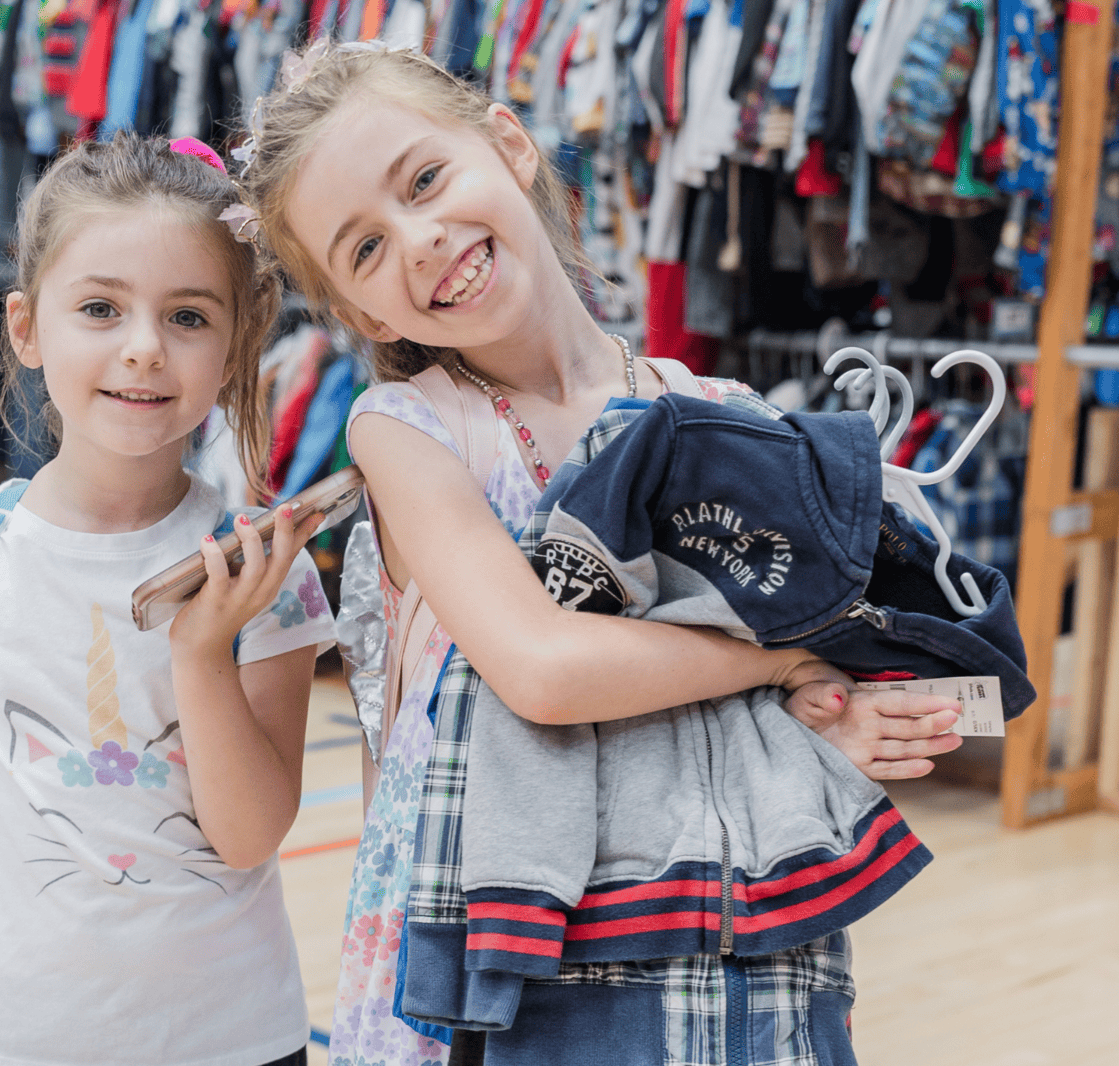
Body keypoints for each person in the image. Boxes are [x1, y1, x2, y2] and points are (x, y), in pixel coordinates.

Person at [236, 40, 967, 1066]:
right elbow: (541, 666)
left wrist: (820, 704)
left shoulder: (720, 412)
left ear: (509, 144)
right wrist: (776, 656)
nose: (418, 239)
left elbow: (799, 679)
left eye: (426, 179)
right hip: (497, 931)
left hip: (698, 922)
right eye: (362, 248)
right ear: (361, 311)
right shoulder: (408, 429)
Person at [0, 133, 335, 1066]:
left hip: (233, 1042)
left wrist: (202, 652)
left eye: (189, 317)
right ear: (28, 327)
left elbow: (246, 838)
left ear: (239, 343)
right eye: (99, 308)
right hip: (9, 1043)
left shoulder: (266, 572)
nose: (144, 350)